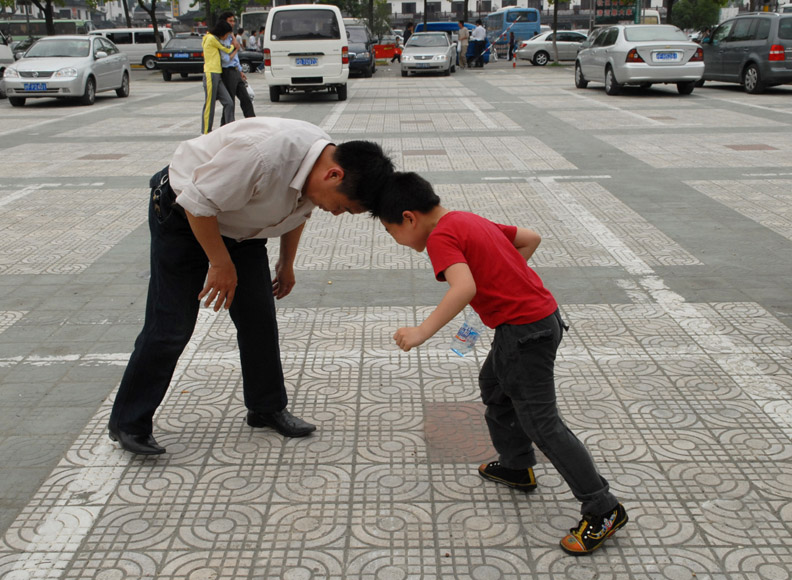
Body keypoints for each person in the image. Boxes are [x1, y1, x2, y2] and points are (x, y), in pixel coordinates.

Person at [372, 172, 628, 556]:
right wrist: (505, 278)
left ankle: (603, 507)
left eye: (391, 232)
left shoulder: (440, 238)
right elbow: (530, 238)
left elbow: (464, 288)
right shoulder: (464, 219)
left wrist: (421, 332)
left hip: (525, 334)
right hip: (540, 321)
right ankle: (516, 465)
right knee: (494, 385)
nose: (397, 240)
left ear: (408, 217)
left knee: (543, 423)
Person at [108, 118, 395, 456]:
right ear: (334, 176)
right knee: (171, 326)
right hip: (183, 214)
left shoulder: (323, 165)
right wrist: (219, 263)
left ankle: (266, 407)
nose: (337, 213)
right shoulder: (262, 156)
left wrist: (286, 263)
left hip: (240, 227)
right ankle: (129, 423)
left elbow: (299, 212)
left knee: (258, 318)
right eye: (343, 207)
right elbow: (197, 204)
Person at [218, 11, 255, 123]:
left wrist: (239, 70)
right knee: (230, 102)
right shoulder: (221, 38)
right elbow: (227, 57)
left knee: (246, 99)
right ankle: (225, 127)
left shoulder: (230, 36)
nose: (233, 23)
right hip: (227, 72)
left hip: (235, 71)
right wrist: (236, 48)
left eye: (233, 21)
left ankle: (253, 123)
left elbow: (235, 58)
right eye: (230, 21)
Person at [201, 20, 237, 134]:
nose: (226, 36)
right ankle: (206, 131)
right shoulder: (211, 38)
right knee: (210, 104)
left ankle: (229, 128)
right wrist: (235, 46)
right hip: (211, 73)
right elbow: (227, 49)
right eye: (227, 34)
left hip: (217, 74)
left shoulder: (212, 38)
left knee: (229, 102)